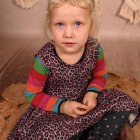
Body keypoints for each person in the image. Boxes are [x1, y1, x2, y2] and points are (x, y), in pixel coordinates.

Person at [8, 0, 140, 140]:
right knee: (50, 132)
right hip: (56, 111)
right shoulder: (44, 59)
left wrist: (92, 93)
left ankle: (96, 136)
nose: (68, 33)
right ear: (50, 25)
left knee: (122, 102)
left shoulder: (94, 49)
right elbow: (32, 94)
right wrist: (63, 106)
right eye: (60, 24)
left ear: (91, 26)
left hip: (85, 103)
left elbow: (100, 76)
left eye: (78, 24)